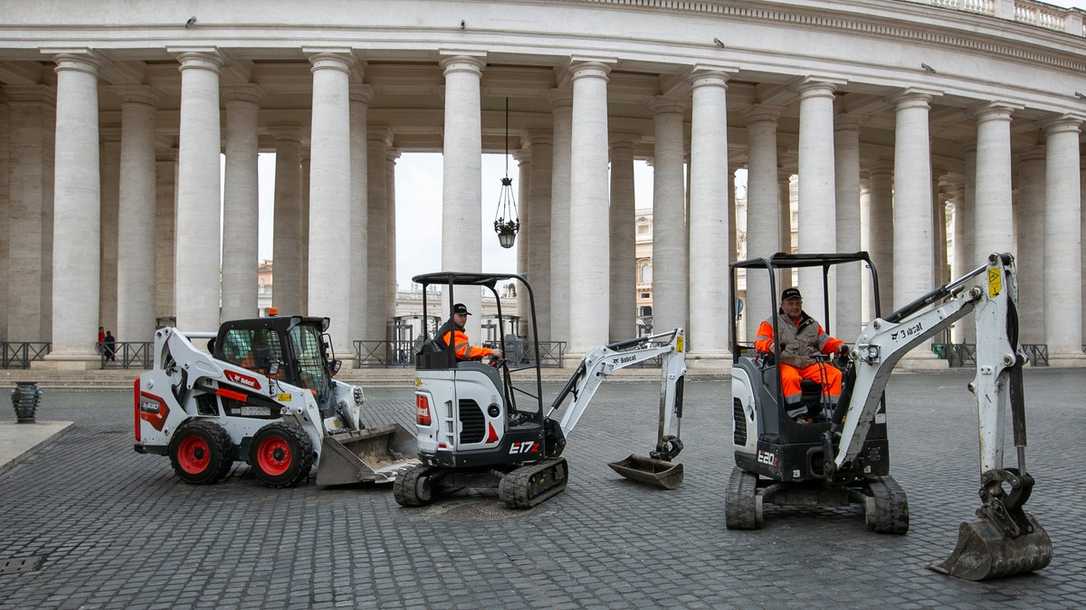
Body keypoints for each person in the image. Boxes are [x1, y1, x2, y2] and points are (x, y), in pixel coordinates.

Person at [753, 287, 848, 420]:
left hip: (808, 364)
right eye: (790, 303)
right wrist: (770, 345)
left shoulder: (812, 324)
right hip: (785, 363)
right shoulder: (770, 323)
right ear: (782, 305)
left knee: (834, 375)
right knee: (790, 378)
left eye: (798, 303)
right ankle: (797, 416)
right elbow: (759, 341)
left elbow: (825, 342)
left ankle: (829, 416)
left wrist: (839, 346)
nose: (795, 307)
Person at [434, 303, 502, 362]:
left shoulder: (449, 328)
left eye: (465, 316)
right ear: (452, 315)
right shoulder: (451, 332)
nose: (463, 319)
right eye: (460, 316)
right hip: (453, 368)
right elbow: (465, 352)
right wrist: (491, 351)